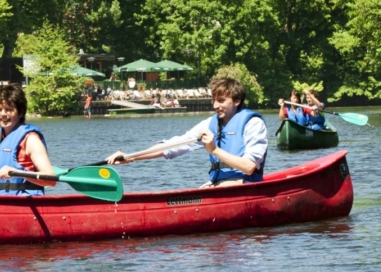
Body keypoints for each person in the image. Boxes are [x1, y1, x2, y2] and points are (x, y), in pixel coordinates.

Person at [102, 76, 267, 188]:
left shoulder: (253, 124)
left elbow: (249, 167)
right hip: (218, 184)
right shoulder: (209, 124)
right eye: (214, 100)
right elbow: (174, 145)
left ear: (237, 101)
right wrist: (130, 157)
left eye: (221, 101)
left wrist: (214, 150)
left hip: (245, 184)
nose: (215, 106)